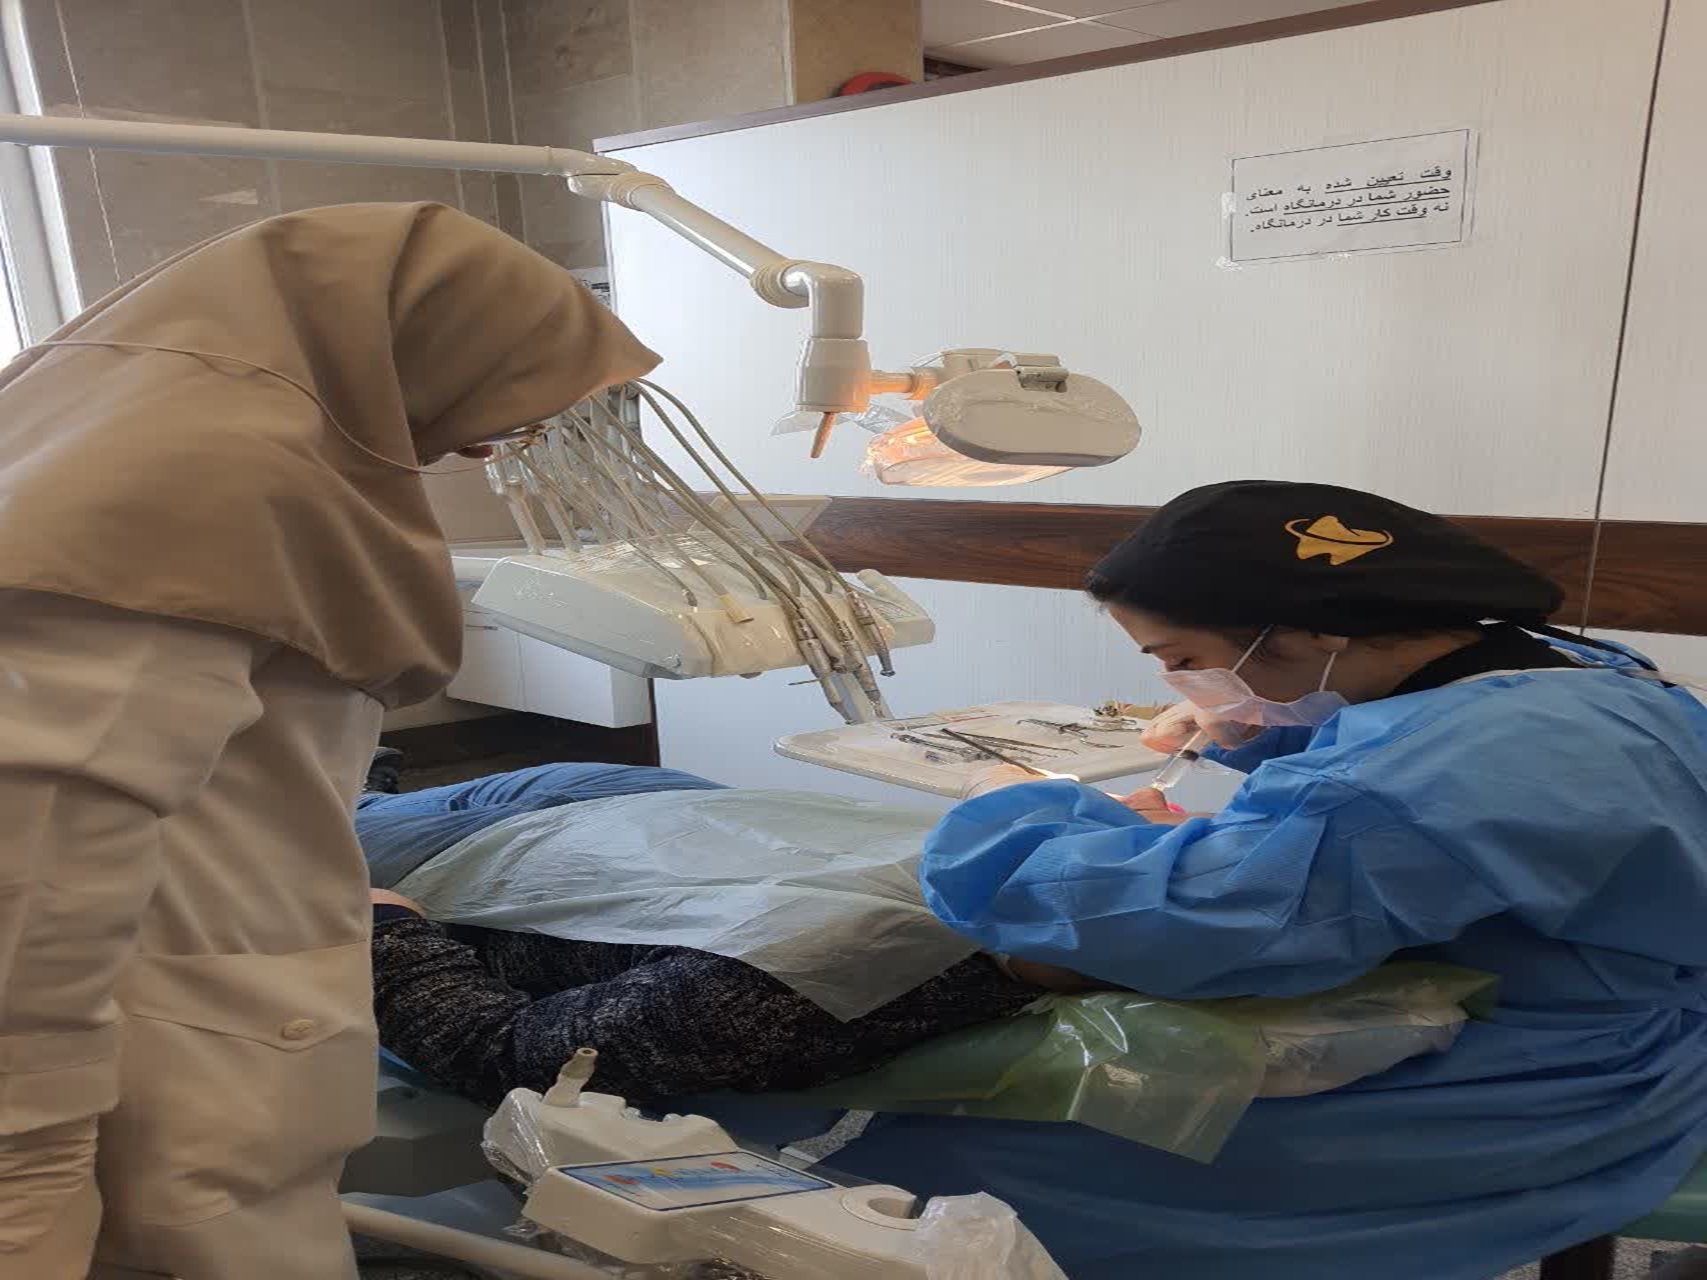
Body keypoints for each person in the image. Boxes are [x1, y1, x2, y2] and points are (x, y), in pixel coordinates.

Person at [803, 479, 1705, 1280]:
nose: (1180, 683)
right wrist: (1270, 728)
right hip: (1624, 1010)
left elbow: (1184, 928)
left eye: (1179, 659)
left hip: (1550, 1081)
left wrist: (1006, 810)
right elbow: (1405, 788)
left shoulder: (1421, 780)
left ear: (1313, 630)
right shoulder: (1565, 674)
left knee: (962, 1179)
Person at [0, 203, 658, 1279]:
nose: (486, 445)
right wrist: (24, 1177)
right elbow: (33, 869)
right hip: (169, 1048)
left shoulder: (124, 438)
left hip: (220, 990)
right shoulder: (189, 483)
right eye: (498, 397)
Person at [355, 762, 1041, 1105]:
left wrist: (390, 934)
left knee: (309, 803)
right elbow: (1005, 788)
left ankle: (359, 789)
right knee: (350, 791)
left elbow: (507, 1056)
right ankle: (363, 788)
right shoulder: (1051, 880)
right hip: (654, 809)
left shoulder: (796, 984)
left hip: (513, 855)